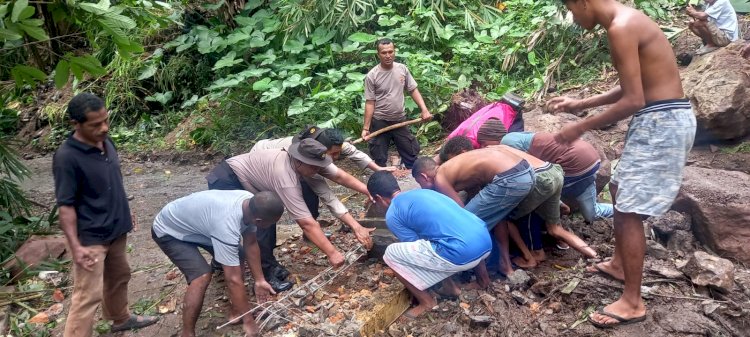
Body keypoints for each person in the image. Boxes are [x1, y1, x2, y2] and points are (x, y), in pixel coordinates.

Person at [549, 0, 696, 328]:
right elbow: (635, 83)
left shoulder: (620, 27)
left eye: (571, 10)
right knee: (618, 187)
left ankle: (632, 301)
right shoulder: (627, 21)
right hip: (659, 118)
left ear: (581, 2)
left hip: (662, 121)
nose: (573, 17)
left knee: (628, 211)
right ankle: (619, 262)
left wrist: (580, 126)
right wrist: (581, 103)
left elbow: (633, 99)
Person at [205, 139, 374, 292]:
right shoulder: (286, 179)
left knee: (267, 219)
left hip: (246, 179)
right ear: (300, 162)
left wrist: (368, 193)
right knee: (257, 224)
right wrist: (332, 253)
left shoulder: (303, 162)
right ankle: (264, 274)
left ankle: (260, 264)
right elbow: (306, 223)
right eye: (314, 166)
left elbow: (338, 175)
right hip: (228, 179)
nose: (318, 170)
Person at [53, 93, 158, 337]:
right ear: (75, 124)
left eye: (106, 120)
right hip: (91, 238)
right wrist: (75, 246)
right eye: (95, 124)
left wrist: (124, 209)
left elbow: (113, 180)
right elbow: (65, 206)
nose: (104, 128)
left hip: (116, 227)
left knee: (120, 275)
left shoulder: (106, 141)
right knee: (88, 295)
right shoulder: (67, 157)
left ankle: (120, 318)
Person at [438, 140, 598, 268]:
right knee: (555, 229)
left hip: (534, 179)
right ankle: (594, 257)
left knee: (505, 218)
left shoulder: (461, 165)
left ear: (462, 153)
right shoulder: (495, 149)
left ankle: (528, 258)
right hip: (552, 171)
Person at [152, 190, 283, 337]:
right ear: (258, 221)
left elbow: (251, 242)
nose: (269, 226)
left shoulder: (250, 202)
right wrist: (249, 321)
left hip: (199, 226)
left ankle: (236, 312)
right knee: (201, 276)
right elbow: (233, 279)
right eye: (270, 224)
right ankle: (187, 333)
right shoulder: (227, 224)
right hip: (169, 230)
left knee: (238, 254)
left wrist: (259, 280)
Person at [367, 171, 492, 319]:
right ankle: (482, 281)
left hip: (462, 254)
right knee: (458, 231)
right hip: (485, 241)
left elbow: (420, 251)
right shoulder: (425, 193)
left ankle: (427, 302)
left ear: (379, 198)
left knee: (391, 254)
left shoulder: (393, 214)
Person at [412, 136, 535, 279]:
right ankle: (504, 264)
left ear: (424, 176)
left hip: (510, 179)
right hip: (527, 172)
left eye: (419, 182)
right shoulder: (458, 167)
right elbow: (476, 196)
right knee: (498, 218)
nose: (421, 187)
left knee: (464, 227)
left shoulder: (440, 178)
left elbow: (461, 214)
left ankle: (481, 278)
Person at [252, 126, 394, 220]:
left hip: (292, 163)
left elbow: (353, 154)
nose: (337, 157)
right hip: (261, 159)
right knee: (266, 206)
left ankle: (311, 230)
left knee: (310, 197)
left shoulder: (331, 143)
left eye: (338, 152)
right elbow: (328, 194)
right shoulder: (307, 157)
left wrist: (378, 170)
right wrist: (354, 224)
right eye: (333, 154)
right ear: (320, 151)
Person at [501, 131, 614, 223]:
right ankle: (624, 211)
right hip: (591, 158)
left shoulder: (505, 145)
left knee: (542, 191)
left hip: (574, 162)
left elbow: (539, 182)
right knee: (592, 215)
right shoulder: (522, 135)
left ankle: (521, 220)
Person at [362, 38, 432, 168]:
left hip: (400, 120)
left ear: (395, 52)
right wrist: (366, 128)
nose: (388, 55)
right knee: (379, 157)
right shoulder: (372, 75)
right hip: (380, 121)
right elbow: (370, 102)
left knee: (411, 153)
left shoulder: (402, 69)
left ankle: (414, 178)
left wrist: (424, 109)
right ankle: (384, 180)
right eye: (384, 53)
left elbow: (413, 90)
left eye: (390, 51)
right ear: (378, 54)